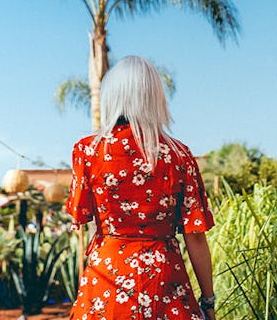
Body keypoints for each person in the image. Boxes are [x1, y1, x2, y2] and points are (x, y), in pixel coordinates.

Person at [66, 56, 217, 320]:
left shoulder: (88, 151)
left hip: (107, 286)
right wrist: (208, 302)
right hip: (166, 285)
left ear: (111, 96)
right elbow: (194, 236)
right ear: (155, 97)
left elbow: (80, 214)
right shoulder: (179, 156)